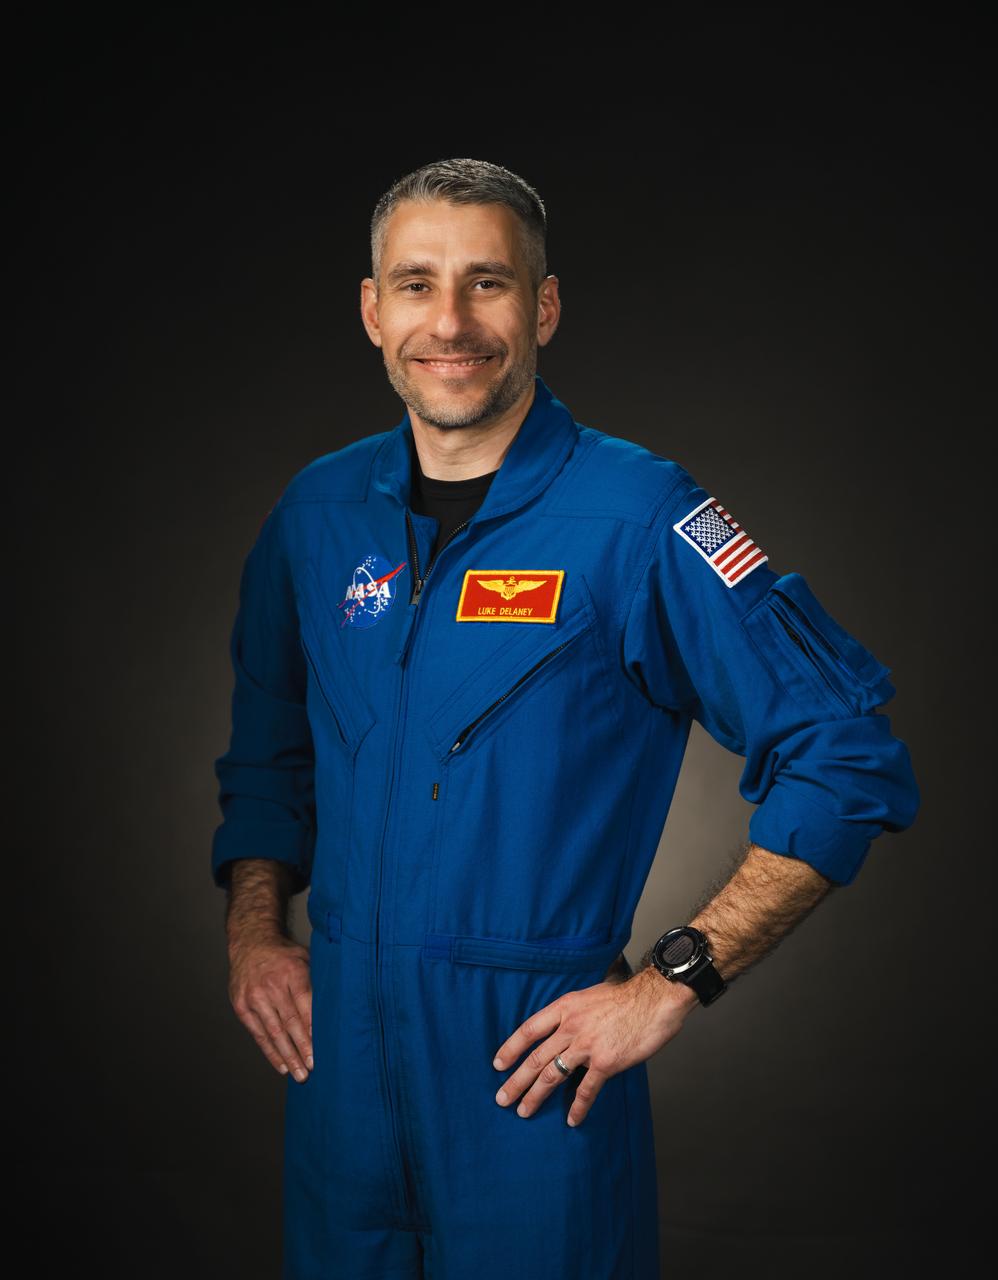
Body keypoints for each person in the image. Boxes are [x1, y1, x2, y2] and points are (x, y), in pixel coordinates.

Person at [211, 158, 920, 1280]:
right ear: (370, 308)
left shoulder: (637, 515)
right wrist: (258, 930)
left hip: (527, 1082)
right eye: (415, 283)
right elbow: (268, 749)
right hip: (338, 1089)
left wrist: (672, 979)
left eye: (487, 283)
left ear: (543, 305)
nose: (449, 321)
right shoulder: (315, 512)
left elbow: (845, 758)